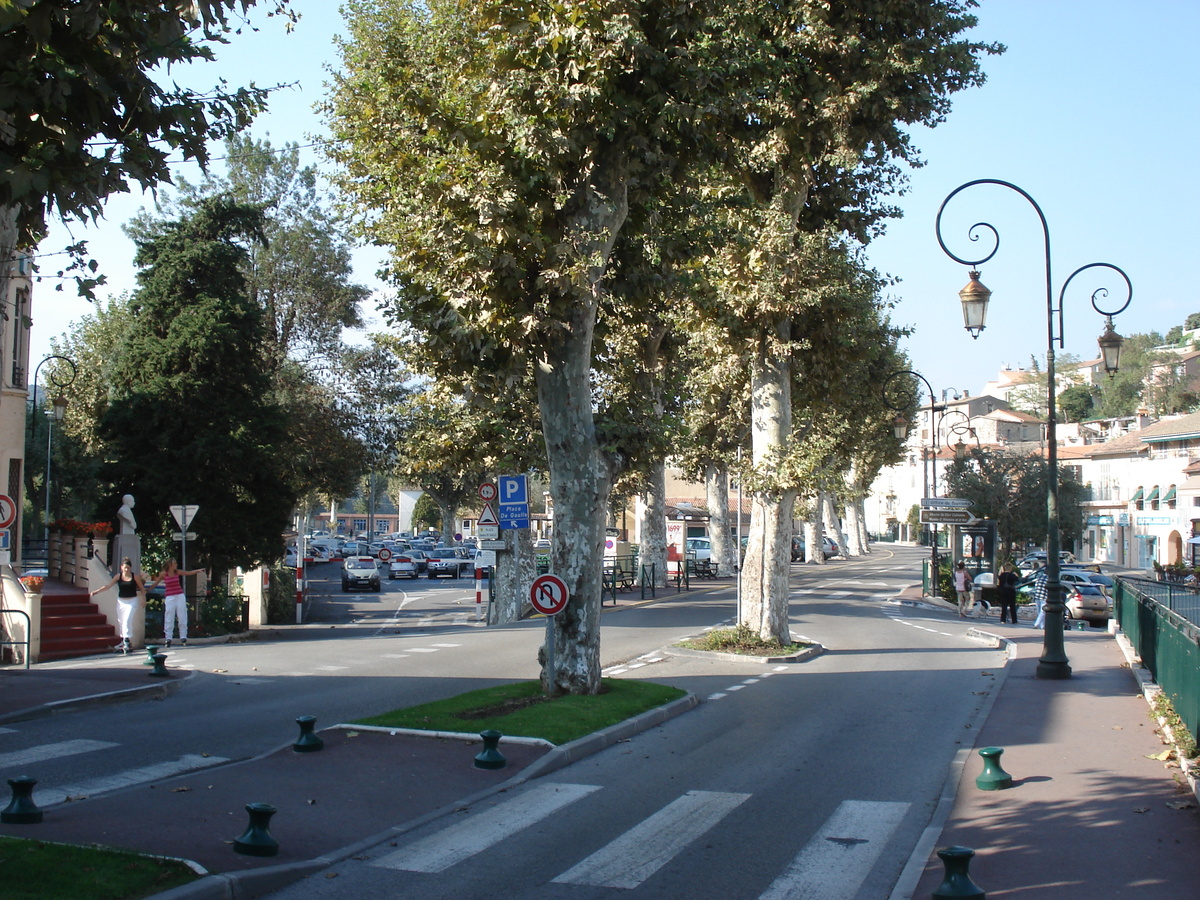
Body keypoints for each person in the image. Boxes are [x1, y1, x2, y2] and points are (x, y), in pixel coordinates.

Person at [89, 556, 146, 653]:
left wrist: (144, 599)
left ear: (130, 568)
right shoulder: (118, 576)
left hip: (132, 601)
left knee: (127, 620)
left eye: (128, 567)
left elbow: (142, 588)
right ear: (121, 567)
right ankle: (123, 640)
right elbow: (108, 586)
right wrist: (97, 591)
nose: (126, 569)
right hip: (121, 601)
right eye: (125, 567)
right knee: (121, 621)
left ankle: (127, 640)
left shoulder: (134, 577)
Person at [147, 558, 204, 647]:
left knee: (182, 615)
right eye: (174, 563)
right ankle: (168, 638)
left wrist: (198, 571)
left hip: (179, 595)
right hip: (170, 597)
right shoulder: (163, 574)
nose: (176, 564)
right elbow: (156, 583)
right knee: (169, 616)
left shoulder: (177, 572)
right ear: (170, 564)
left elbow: (188, 573)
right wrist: (147, 590)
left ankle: (183, 637)